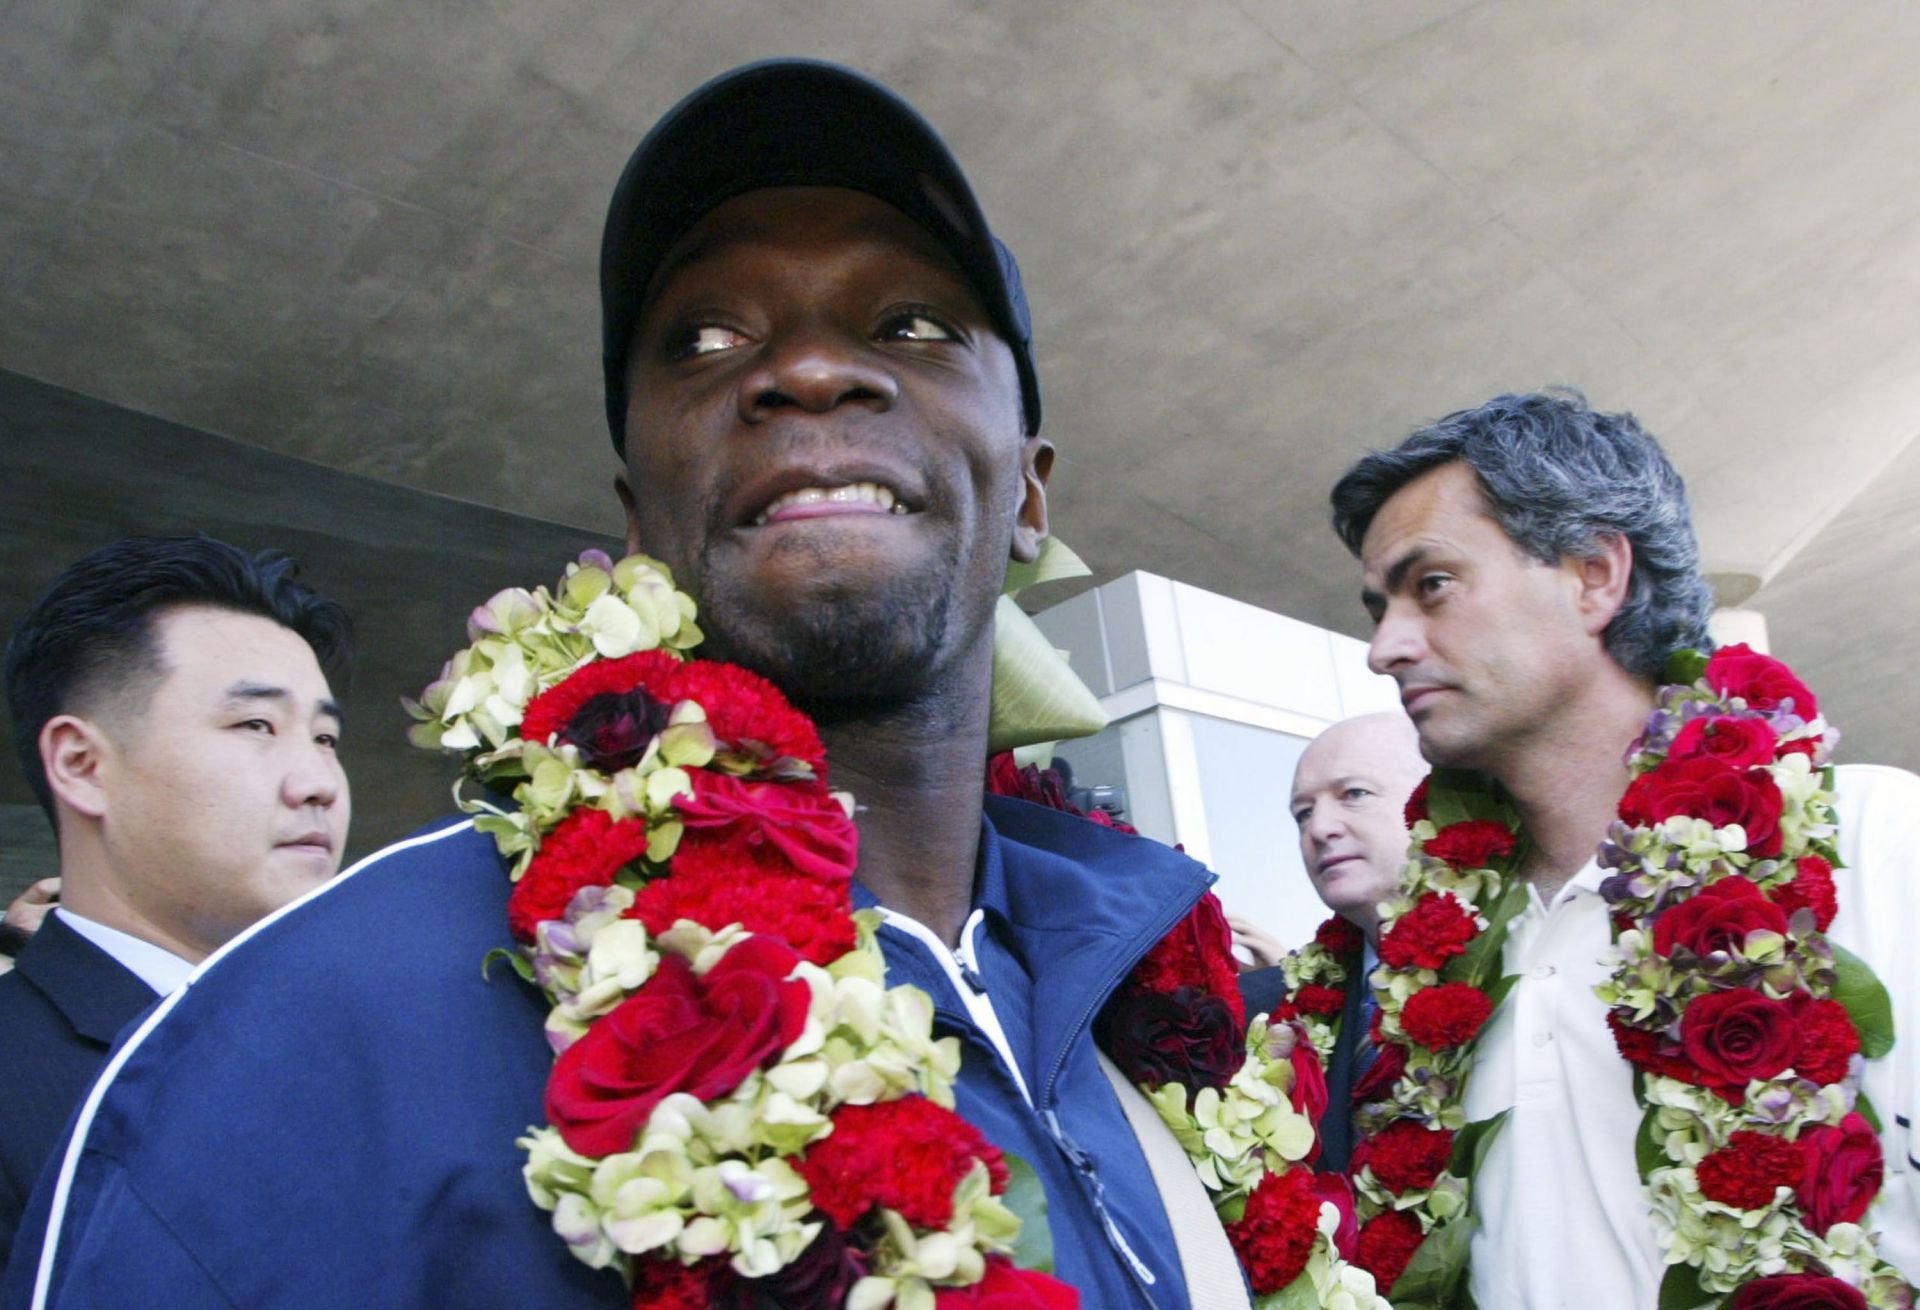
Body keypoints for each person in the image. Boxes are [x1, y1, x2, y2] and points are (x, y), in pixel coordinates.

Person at [6, 63, 1238, 1309]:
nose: (808, 370)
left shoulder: (1156, 1003)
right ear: (638, 517)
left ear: (1029, 491)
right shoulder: (312, 1039)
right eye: (708, 337)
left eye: (911, 323)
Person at [1329, 389, 1920, 1306]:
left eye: (1431, 584)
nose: (1385, 647)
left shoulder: (1874, 837)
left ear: (1595, 575)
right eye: (1380, 607)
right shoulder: (1439, 944)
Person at [0, 535, 352, 1268]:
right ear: (82, 764)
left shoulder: (363, 1059)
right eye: (257, 724)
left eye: (326, 737)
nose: (318, 780)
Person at [1236, 712, 1426, 1167]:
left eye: (1354, 794)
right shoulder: (1256, 1016)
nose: (1319, 829)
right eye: (1304, 813)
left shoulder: (1522, 961)